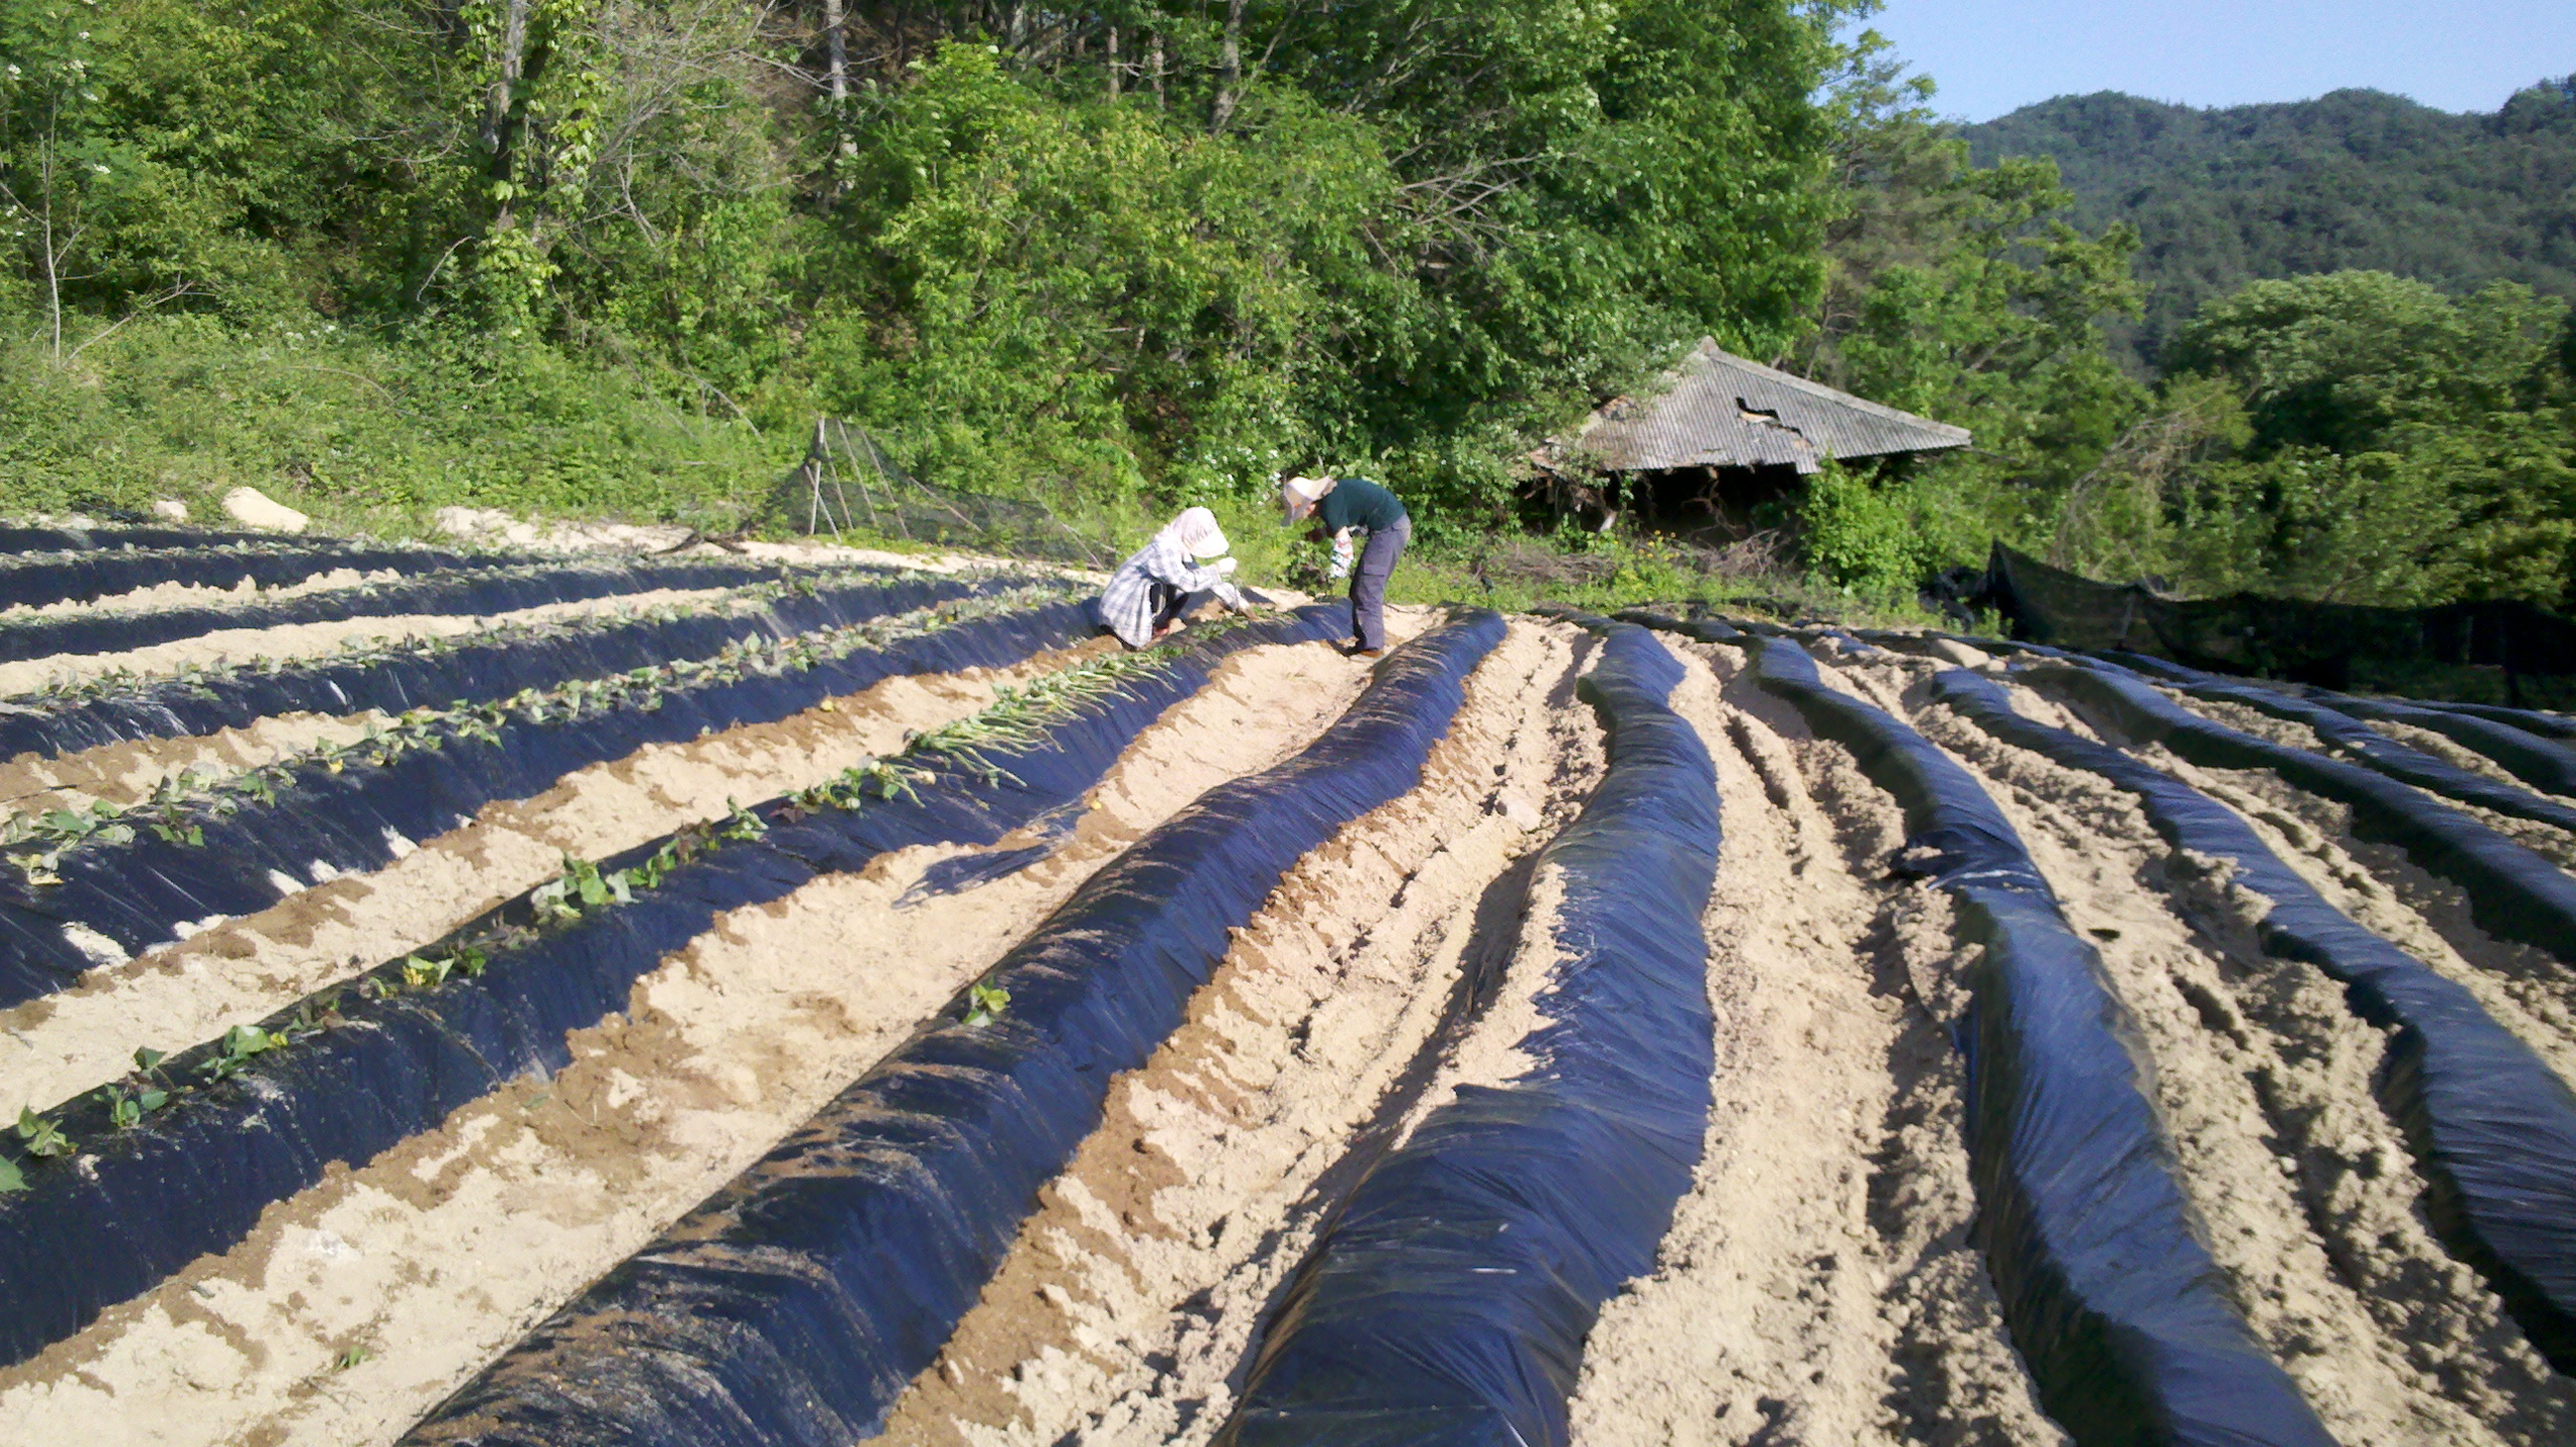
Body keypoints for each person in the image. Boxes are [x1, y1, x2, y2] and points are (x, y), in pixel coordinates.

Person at [1280, 471, 1409, 658]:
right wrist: (1322, 533)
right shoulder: (1333, 496)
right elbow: (1345, 521)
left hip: (1390, 528)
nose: (1306, 517)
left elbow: (1344, 545)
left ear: (1307, 506)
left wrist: (1334, 572)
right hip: (1393, 524)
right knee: (1361, 587)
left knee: (1367, 586)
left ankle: (1372, 648)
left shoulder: (1329, 506)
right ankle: (1366, 643)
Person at [1098, 505, 1249, 648]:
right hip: (1121, 613)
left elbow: (1199, 574)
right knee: (1180, 588)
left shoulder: (1177, 548)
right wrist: (1217, 569)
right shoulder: (1163, 548)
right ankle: (1136, 636)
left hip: (1128, 608)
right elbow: (1186, 581)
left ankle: (1156, 627)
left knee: (1183, 589)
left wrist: (1238, 602)